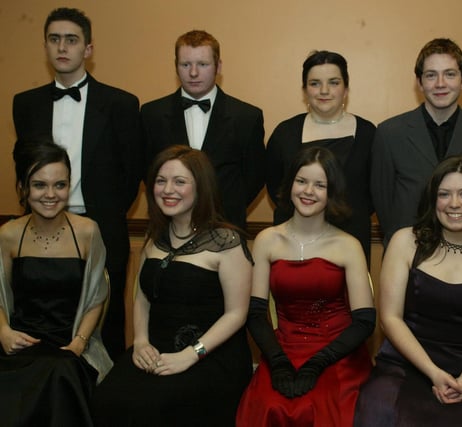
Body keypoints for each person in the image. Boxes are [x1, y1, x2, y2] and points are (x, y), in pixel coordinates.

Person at [12, 7, 143, 358]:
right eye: (54, 39)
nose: (62, 47)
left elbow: (132, 172)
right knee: (37, 320)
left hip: (102, 227)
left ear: (88, 48)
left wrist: (107, 213)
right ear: (46, 46)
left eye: (72, 40)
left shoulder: (122, 104)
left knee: (107, 323)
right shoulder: (24, 104)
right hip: (39, 231)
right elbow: (23, 168)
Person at [91, 146, 254, 426]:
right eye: (161, 180)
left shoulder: (226, 241)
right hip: (155, 346)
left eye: (180, 181)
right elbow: (141, 296)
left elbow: (237, 314)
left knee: (156, 405)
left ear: (201, 187)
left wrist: (192, 354)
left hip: (211, 354)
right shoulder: (156, 236)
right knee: (108, 397)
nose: (168, 189)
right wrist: (140, 341)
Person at [354, 155, 462, 426]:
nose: (454, 204)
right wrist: (433, 372)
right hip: (405, 365)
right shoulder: (405, 242)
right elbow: (390, 318)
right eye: (445, 194)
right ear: (433, 200)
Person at [236, 147, 375, 427]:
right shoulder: (267, 240)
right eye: (302, 181)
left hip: (337, 352)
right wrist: (277, 362)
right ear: (290, 185)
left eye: (320, 184)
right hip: (283, 349)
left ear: (331, 192)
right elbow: (255, 312)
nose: (308, 191)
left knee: (322, 409)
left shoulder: (348, 245)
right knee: (271, 406)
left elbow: (365, 321)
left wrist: (318, 363)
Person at [0, 141, 111, 427]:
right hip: (17, 345)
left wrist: (79, 343)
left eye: (60, 185)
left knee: (60, 372)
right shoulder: (9, 234)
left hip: (69, 345)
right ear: (23, 187)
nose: (50, 194)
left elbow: (97, 297)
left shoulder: (87, 231)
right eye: (39, 185)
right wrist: (3, 332)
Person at [371, 38, 462, 246]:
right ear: (419, 82)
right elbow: (383, 203)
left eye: (450, 74)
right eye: (431, 75)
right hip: (407, 255)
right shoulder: (389, 133)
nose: (440, 84)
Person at [141, 30, 265, 230]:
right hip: (168, 226)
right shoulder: (151, 114)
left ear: (218, 66)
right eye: (185, 64)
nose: (193, 73)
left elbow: (255, 175)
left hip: (226, 226)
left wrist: (224, 206)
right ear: (176, 66)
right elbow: (148, 170)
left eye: (202, 64)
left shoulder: (247, 117)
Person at [265, 50, 376, 264]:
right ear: (305, 90)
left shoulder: (369, 134)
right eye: (315, 83)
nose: (324, 91)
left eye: (334, 82)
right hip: (292, 245)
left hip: (351, 243)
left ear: (346, 89)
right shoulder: (284, 134)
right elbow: (276, 187)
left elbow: (375, 193)